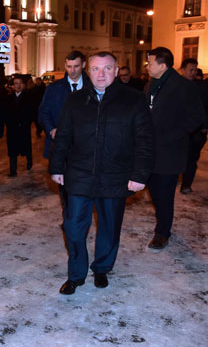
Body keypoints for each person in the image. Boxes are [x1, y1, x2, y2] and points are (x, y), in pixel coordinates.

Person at [50, 51, 154, 295]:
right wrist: (56, 167)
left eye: (107, 68)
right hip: (79, 176)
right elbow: (63, 136)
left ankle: (101, 268)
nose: (101, 74)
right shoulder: (75, 100)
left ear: (116, 71)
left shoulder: (133, 100)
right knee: (74, 227)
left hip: (115, 177)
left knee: (109, 227)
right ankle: (76, 274)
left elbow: (145, 141)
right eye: (96, 68)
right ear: (88, 71)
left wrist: (140, 175)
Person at [144, 47, 204, 249]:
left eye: (150, 62)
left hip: (170, 152)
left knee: (165, 193)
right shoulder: (150, 85)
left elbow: (197, 116)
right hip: (150, 150)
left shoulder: (182, 86)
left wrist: (175, 135)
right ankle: (162, 221)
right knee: (154, 190)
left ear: (162, 65)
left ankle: (163, 232)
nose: (147, 65)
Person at [38, 51, 92, 219]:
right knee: (64, 183)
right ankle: (69, 216)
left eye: (76, 66)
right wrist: (51, 129)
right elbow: (43, 112)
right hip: (60, 145)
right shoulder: (54, 88)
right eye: (69, 66)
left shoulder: (93, 86)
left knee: (83, 183)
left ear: (83, 65)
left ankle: (78, 216)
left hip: (86, 147)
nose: (72, 70)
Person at [178, 58, 208, 194]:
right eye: (190, 69)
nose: (193, 72)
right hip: (178, 128)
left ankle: (186, 184)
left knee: (191, 157)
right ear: (182, 70)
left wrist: (205, 126)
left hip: (196, 130)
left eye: (195, 69)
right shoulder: (175, 85)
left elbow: (206, 107)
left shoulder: (201, 86)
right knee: (178, 156)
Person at [5, 77, 34, 176]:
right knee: (12, 149)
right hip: (12, 128)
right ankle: (13, 170)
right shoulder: (8, 98)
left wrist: (27, 122)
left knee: (26, 146)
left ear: (24, 85)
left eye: (20, 83)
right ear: (12, 86)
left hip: (24, 127)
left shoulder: (29, 97)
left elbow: (32, 112)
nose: (18, 85)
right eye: (16, 83)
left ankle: (29, 161)